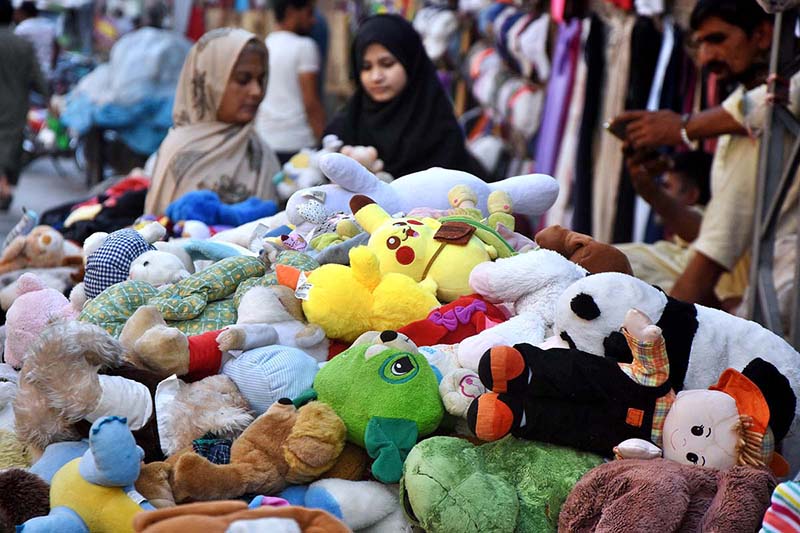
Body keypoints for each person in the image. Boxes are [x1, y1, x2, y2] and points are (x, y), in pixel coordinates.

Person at [612, 0, 773, 308]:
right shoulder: (742, 113)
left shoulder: (765, 121)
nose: (706, 57)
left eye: (718, 39)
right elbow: (713, 231)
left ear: (762, 35)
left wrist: (683, 127)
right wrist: (652, 192)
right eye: (700, 44)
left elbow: (714, 253)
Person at [325, 14, 489, 180]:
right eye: (366, 67)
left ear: (410, 63)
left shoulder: (437, 125)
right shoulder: (347, 124)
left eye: (387, 64)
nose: (376, 77)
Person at [144, 28, 280, 216]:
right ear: (208, 82)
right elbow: (164, 229)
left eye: (261, 79)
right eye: (243, 79)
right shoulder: (181, 151)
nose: (256, 91)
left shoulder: (261, 152)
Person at [254, 0, 325, 164]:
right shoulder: (305, 47)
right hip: (297, 143)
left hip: (266, 141)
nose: (313, 20)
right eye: (309, 13)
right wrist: (324, 142)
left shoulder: (266, 45)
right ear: (292, 11)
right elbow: (311, 103)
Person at [0, 0, 47, 210]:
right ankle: (4, 185)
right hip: (15, 106)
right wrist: (49, 98)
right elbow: (38, 78)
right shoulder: (23, 45)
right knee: (8, 147)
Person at [14, 0, 56, 79]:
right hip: (47, 70)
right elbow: (56, 48)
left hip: (29, 72)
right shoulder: (49, 25)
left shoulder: (22, 28)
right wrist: (52, 65)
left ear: (23, 12)